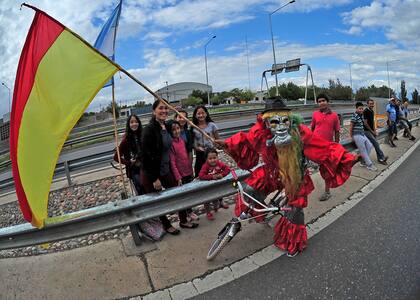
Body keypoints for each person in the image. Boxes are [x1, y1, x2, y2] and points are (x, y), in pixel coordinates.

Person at [215, 97, 359, 257]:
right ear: (266, 122)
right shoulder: (258, 133)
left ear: (289, 119)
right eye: (274, 121)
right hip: (273, 171)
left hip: (295, 172)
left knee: (294, 209)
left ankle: (293, 242)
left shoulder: (300, 132)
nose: (280, 126)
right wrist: (226, 143)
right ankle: (260, 213)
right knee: (250, 189)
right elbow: (245, 142)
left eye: (284, 120)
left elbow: (321, 147)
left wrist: (345, 159)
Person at [141, 100, 181, 235]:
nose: (164, 111)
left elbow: (180, 126)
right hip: (151, 173)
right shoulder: (149, 130)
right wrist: (154, 178)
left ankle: (184, 219)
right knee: (157, 201)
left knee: (176, 193)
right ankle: (166, 225)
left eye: (166, 108)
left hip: (165, 169)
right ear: (154, 111)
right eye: (160, 108)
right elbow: (145, 157)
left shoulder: (166, 126)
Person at [167, 119, 198, 229]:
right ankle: (183, 220)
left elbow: (185, 157)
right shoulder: (171, 144)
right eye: (173, 130)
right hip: (180, 175)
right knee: (182, 198)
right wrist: (178, 177)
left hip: (187, 172)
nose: (176, 131)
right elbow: (172, 162)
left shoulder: (181, 140)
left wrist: (190, 170)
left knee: (188, 195)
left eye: (178, 128)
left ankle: (189, 212)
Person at [310, 93, 341, 201]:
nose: (321, 102)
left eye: (323, 100)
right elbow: (312, 129)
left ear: (327, 102)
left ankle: (327, 192)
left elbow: (337, 131)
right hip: (315, 147)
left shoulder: (334, 116)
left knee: (326, 171)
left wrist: (337, 145)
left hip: (327, 147)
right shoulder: (315, 114)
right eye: (319, 101)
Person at [174, 109, 199, 221]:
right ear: (175, 118)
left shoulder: (188, 133)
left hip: (186, 166)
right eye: (179, 117)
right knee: (179, 191)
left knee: (188, 189)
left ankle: (189, 211)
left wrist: (190, 165)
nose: (181, 119)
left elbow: (190, 150)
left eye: (184, 117)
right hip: (175, 166)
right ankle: (183, 213)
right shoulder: (172, 132)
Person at [113, 114, 143, 195]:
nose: (134, 124)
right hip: (134, 170)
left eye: (136, 122)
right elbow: (116, 157)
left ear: (139, 123)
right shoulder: (126, 140)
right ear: (128, 125)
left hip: (145, 167)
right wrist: (128, 162)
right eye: (131, 122)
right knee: (140, 188)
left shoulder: (143, 135)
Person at [198, 148, 231, 220]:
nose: (213, 160)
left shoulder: (219, 163)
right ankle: (208, 212)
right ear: (206, 159)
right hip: (207, 188)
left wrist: (222, 174)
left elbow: (228, 169)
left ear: (217, 157)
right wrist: (212, 177)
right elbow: (201, 176)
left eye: (214, 158)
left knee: (215, 198)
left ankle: (216, 207)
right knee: (207, 201)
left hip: (216, 187)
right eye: (210, 158)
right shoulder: (205, 166)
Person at [191, 105, 221, 178]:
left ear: (206, 114)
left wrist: (216, 145)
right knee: (200, 174)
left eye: (203, 113)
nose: (201, 115)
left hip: (211, 153)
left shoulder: (212, 125)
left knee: (214, 172)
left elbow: (218, 139)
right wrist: (198, 148)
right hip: (200, 155)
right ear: (195, 115)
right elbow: (194, 144)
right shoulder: (193, 127)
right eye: (198, 113)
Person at [350, 102, 377, 171]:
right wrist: (351, 136)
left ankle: (363, 161)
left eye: (362, 109)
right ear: (356, 109)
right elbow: (351, 126)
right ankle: (369, 165)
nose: (361, 110)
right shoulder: (354, 115)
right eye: (359, 109)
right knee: (363, 150)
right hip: (357, 135)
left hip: (362, 134)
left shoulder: (361, 115)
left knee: (370, 146)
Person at [363, 99, 388, 165]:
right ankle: (382, 158)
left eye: (372, 104)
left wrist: (374, 130)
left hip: (371, 131)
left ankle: (378, 158)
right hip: (366, 131)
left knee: (374, 145)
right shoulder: (365, 111)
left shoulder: (372, 111)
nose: (372, 105)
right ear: (367, 104)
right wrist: (372, 131)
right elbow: (365, 123)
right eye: (370, 104)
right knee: (376, 143)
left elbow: (373, 122)